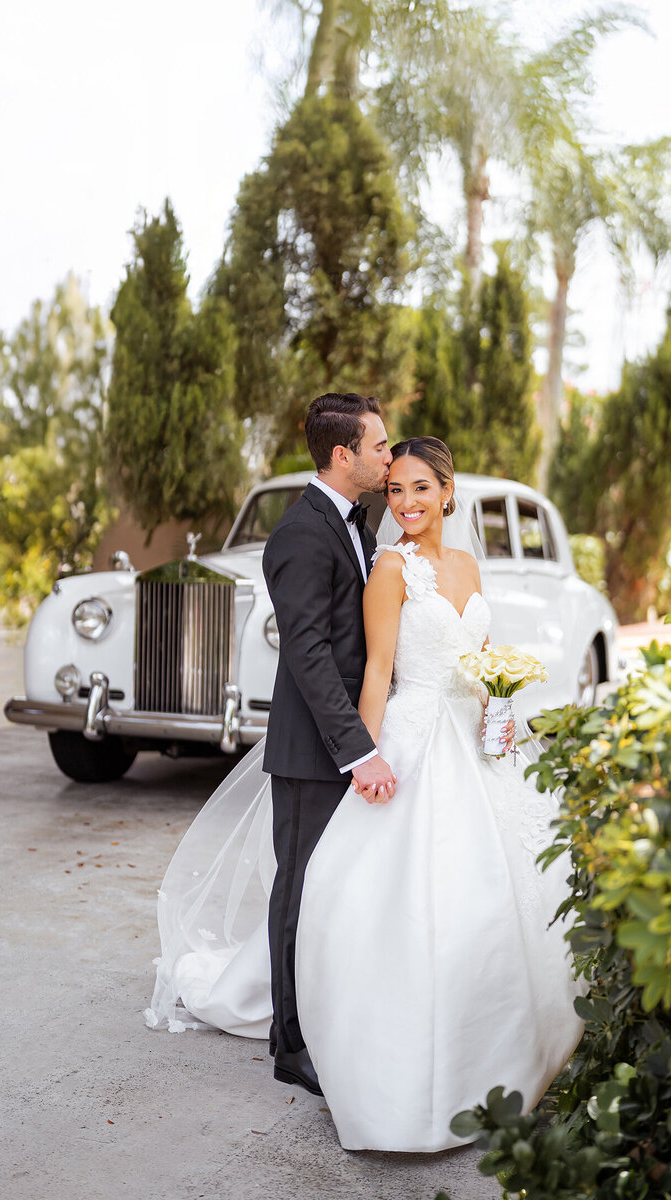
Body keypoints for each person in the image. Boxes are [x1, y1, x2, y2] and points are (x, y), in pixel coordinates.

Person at [145, 430, 582, 1154]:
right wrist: (366, 759)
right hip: (411, 736)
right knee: (393, 899)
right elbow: (378, 672)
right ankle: (379, 1060)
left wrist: (498, 710)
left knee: (500, 896)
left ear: (447, 491)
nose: (406, 502)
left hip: (475, 740)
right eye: (395, 488)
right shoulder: (391, 571)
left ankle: (505, 1055)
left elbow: (476, 663)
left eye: (419, 487)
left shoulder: (470, 566)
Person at [261, 392, 397, 1096]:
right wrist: (359, 749)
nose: (388, 455)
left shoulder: (355, 524)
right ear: (343, 454)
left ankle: (332, 1013)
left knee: (339, 891)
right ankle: (290, 1042)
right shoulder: (300, 534)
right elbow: (309, 654)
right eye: (379, 446)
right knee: (300, 890)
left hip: (352, 736)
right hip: (315, 749)